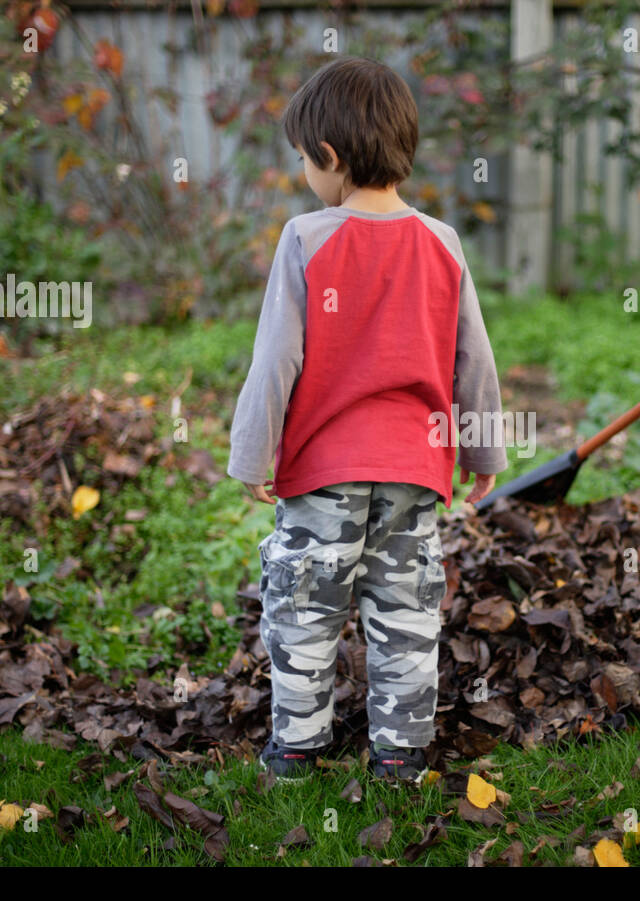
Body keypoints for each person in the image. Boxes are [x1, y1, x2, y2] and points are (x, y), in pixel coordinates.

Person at [227, 57, 507, 783]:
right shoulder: (441, 242)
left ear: (331, 156)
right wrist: (483, 454)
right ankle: (400, 755)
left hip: (325, 473)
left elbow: (275, 360)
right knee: (407, 617)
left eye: (302, 160)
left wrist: (250, 456)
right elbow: (473, 356)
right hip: (416, 472)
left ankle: (295, 748)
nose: (303, 177)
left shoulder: (306, 238)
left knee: (304, 612)